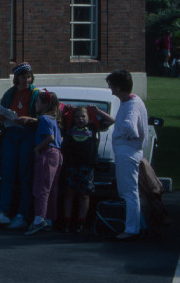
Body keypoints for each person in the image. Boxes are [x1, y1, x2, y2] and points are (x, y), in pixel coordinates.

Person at [0, 64, 40, 229]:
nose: (26, 80)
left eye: (29, 77)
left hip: (27, 134)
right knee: (7, 174)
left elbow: (42, 117)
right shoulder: (9, 93)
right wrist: (2, 117)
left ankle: (22, 215)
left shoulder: (36, 93)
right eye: (23, 77)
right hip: (10, 134)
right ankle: (3, 212)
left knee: (25, 175)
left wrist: (29, 119)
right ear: (17, 78)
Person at [58, 99, 113, 234]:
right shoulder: (68, 126)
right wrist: (65, 110)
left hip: (86, 165)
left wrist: (97, 111)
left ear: (88, 118)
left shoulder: (93, 127)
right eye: (77, 117)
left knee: (84, 194)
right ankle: (66, 221)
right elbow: (55, 118)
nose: (80, 119)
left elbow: (111, 120)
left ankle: (81, 222)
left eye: (83, 116)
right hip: (70, 164)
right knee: (69, 193)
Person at [106, 69, 147, 241]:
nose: (111, 89)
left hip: (127, 152)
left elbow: (131, 127)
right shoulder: (131, 101)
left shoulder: (131, 104)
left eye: (112, 86)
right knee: (130, 191)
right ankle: (139, 224)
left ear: (118, 87)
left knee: (129, 192)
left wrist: (122, 134)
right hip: (128, 151)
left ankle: (131, 229)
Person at [26, 91, 64, 235]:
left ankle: (39, 218)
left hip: (47, 153)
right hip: (58, 154)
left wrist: (37, 148)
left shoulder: (44, 119)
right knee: (52, 189)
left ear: (45, 104)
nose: (35, 104)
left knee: (41, 188)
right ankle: (49, 219)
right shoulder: (55, 119)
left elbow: (50, 137)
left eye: (37, 102)